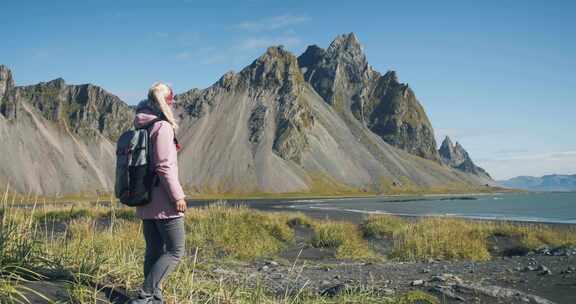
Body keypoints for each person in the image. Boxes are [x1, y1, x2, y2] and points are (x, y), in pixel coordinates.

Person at [128, 82, 187, 304]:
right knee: (175, 250)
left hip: (145, 199)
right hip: (164, 201)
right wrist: (177, 196)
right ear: (167, 102)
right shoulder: (162, 127)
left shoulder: (142, 125)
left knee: (154, 250)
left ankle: (155, 298)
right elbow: (164, 166)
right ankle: (144, 295)